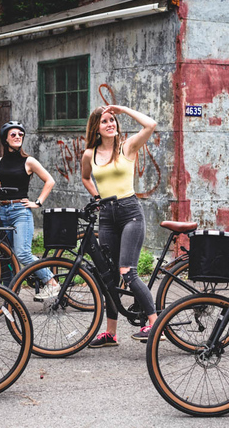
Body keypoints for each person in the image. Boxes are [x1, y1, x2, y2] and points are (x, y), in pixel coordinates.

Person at [80, 105, 158, 346]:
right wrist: (96, 198)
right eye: (105, 121)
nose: (110, 124)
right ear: (96, 128)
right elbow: (85, 177)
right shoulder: (89, 155)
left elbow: (151, 125)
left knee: (128, 272)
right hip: (107, 217)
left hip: (129, 213)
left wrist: (122, 109)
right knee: (110, 277)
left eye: (112, 120)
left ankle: (156, 326)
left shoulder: (127, 147)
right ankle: (111, 334)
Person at [0, 121, 59, 299]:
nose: (18, 137)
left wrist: (38, 202)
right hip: (2, 211)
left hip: (20, 211)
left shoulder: (29, 161)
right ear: (5, 139)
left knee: (23, 253)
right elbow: (2, 183)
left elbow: (49, 181)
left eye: (20, 134)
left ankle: (52, 283)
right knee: (6, 257)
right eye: (14, 134)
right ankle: (7, 295)